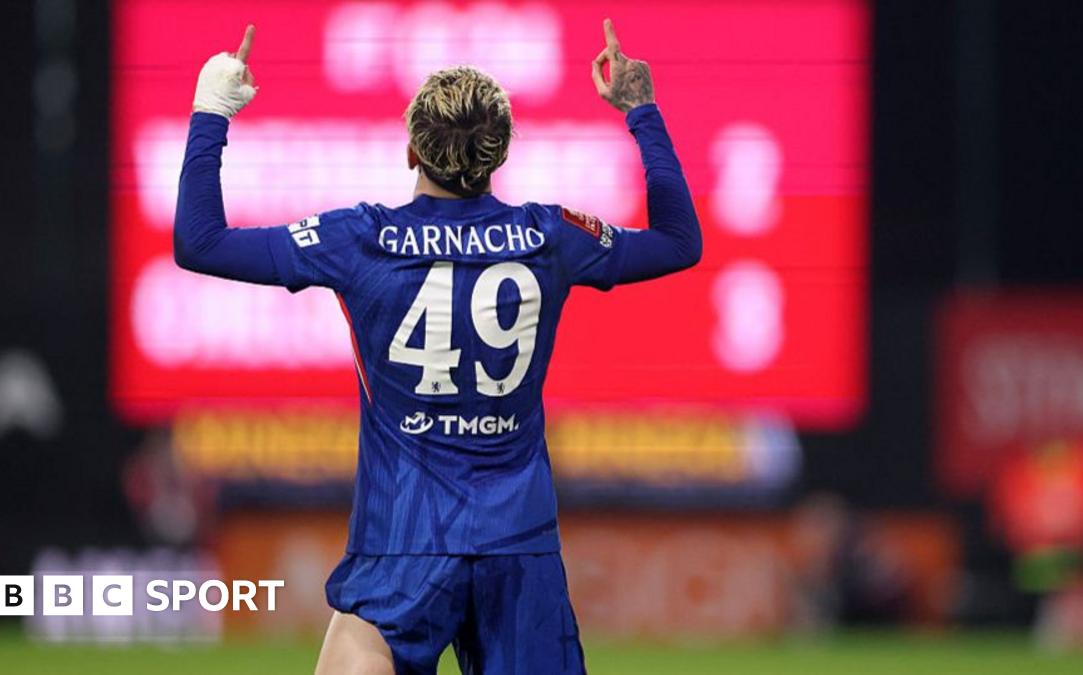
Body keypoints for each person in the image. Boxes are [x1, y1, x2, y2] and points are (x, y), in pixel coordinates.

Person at [175, 20, 701, 675]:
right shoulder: (551, 236)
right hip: (518, 543)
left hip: (403, 540)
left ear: (412, 151)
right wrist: (640, 109)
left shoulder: (358, 239)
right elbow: (679, 242)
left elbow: (201, 242)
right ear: (499, 155)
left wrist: (212, 111)